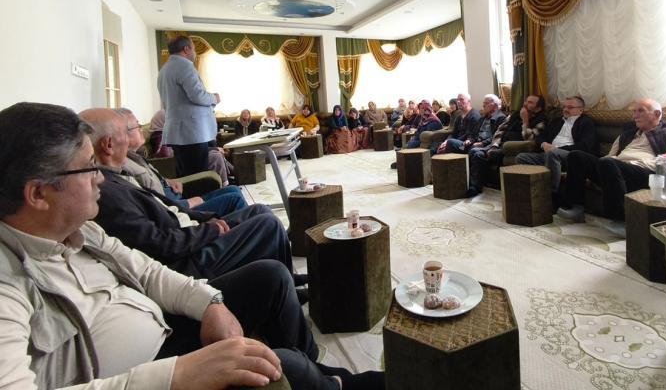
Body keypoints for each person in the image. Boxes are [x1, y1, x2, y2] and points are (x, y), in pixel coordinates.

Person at [0, 102, 383, 390]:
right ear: (38, 194)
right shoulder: (8, 285)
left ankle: (322, 374)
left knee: (270, 277)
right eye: (88, 167)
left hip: (164, 324)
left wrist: (209, 303)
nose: (100, 177)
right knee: (281, 365)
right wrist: (177, 373)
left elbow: (148, 272)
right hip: (148, 371)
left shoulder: (82, 231)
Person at [80, 108, 299, 285]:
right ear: (108, 144)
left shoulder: (120, 175)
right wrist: (209, 230)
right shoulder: (107, 192)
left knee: (259, 210)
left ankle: (289, 279)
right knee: (268, 223)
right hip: (188, 258)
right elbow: (159, 244)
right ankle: (279, 281)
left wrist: (206, 218)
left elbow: (164, 205)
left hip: (189, 232)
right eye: (124, 133)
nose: (128, 141)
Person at [561, 99, 666, 237]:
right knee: (577, 156)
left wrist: (629, 163)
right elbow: (610, 156)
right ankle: (577, 208)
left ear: (656, 114)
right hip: (615, 168)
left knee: (609, 164)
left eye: (640, 111)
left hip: (646, 174)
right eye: (634, 111)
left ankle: (621, 221)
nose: (635, 115)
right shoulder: (627, 134)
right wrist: (603, 164)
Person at [118, 108, 248, 216]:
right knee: (236, 200)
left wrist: (169, 181)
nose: (141, 128)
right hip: (178, 210)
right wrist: (189, 202)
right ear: (122, 134)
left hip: (177, 198)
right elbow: (155, 204)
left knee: (234, 190)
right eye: (137, 125)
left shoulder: (134, 157)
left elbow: (154, 181)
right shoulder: (126, 170)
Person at [157, 36, 221, 177]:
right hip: (192, 134)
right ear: (186, 49)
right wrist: (214, 98)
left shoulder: (164, 69)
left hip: (179, 133)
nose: (195, 53)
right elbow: (197, 95)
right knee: (198, 177)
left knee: (185, 176)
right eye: (194, 49)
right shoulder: (184, 66)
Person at [516, 95, 597, 199]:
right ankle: (531, 191)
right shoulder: (557, 121)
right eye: (564, 107)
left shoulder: (586, 123)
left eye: (570, 107)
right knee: (521, 157)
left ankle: (552, 195)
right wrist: (543, 144)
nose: (566, 109)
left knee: (552, 154)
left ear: (580, 110)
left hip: (570, 156)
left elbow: (585, 146)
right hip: (549, 154)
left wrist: (558, 149)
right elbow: (540, 137)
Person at [466, 94, 547, 197]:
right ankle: (473, 184)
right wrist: (494, 145)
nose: (525, 104)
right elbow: (500, 130)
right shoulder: (515, 114)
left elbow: (530, 138)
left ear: (538, 108)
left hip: (512, 148)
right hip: (499, 144)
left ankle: (475, 187)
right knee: (474, 151)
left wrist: (525, 120)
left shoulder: (542, 120)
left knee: (481, 154)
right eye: (526, 101)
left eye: (530, 102)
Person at [437, 94, 504, 155]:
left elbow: (496, 136)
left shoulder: (499, 118)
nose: (483, 105)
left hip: (481, 145)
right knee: (437, 145)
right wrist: (470, 140)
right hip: (470, 143)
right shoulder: (482, 118)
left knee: (452, 144)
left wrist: (482, 143)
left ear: (495, 105)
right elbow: (473, 133)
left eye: (486, 103)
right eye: (483, 103)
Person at [390, 101, 442, 169]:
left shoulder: (433, 120)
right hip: (421, 138)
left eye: (422, 108)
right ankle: (402, 161)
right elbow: (417, 129)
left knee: (412, 144)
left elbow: (427, 135)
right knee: (410, 142)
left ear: (427, 109)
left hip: (428, 141)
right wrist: (414, 136)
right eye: (420, 108)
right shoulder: (424, 118)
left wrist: (416, 138)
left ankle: (402, 163)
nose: (421, 110)